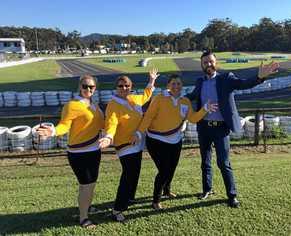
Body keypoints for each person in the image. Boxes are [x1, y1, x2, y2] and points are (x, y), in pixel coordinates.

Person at [186, 50, 279, 208]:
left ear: (216, 63)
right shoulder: (200, 81)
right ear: (201, 65)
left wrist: (259, 77)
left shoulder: (226, 78)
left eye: (210, 61)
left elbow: (243, 84)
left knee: (223, 162)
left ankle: (232, 195)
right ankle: (207, 189)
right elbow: (193, 95)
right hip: (204, 128)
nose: (208, 64)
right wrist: (174, 96)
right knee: (205, 162)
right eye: (205, 62)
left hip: (221, 129)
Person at [133, 74, 218, 210]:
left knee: (171, 168)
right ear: (168, 86)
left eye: (178, 84)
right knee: (164, 170)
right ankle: (156, 200)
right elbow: (148, 116)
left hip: (176, 141)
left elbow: (193, 118)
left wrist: (205, 109)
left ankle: (167, 190)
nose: (176, 86)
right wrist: (139, 131)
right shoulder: (159, 99)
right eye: (173, 84)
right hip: (156, 141)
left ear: (181, 86)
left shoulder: (185, 101)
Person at [37, 74, 104, 228]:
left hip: (94, 150)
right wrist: (53, 131)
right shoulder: (72, 105)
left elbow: (101, 124)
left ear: (95, 88)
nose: (88, 89)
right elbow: (64, 125)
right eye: (85, 86)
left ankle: (86, 206)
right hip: (79, 153)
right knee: (87, 185)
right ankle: (83, 217)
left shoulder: (94, 104)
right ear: (79, 87)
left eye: (91, 86)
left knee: (89, 184)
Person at [98, 69, 159, 222]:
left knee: (135, 173)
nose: (124, 88)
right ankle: (118, 208)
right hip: (125, 145)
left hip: (137, 143)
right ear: (116, 87)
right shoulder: (113, 105)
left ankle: (129, 199)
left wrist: (151, 81)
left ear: (130, 87)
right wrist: (108, 137)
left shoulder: (134, 99)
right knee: (128, 176)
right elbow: (111, 123)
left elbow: (146, 95)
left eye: (126, 86)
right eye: (120, 86)